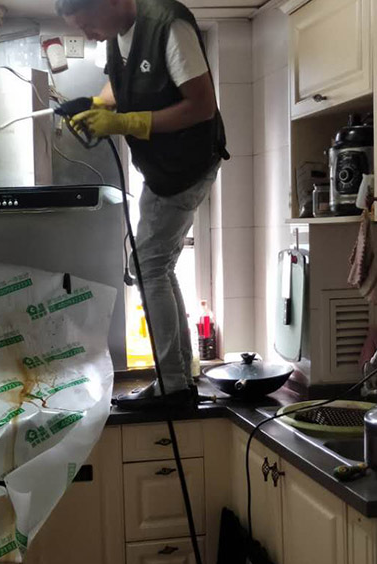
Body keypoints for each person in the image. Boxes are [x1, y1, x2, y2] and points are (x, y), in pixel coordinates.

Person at [57, 0, 229, 407]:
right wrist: (97, 105)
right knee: (152, 264)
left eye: (87, 24)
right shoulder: (116, 33)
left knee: (149, 264)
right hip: (161, 170)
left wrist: (125, 123)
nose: (87, 35)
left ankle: (173, 385)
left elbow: (202, 106)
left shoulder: (169, 26)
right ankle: (179, 380)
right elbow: (120, 86)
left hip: (188, 164)